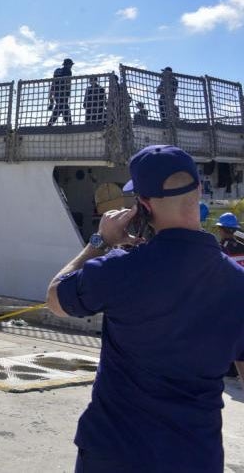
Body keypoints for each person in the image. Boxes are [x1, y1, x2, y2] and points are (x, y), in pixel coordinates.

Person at [46, 145, 244, 472]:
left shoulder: (119, 268)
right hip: (194, 458)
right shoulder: (238, 285)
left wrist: (100, 242)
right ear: (197, 192)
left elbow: (55, 297)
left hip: (113, 455)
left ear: (144, 206)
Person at [47, 58, 74, 126]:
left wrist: (51, 99)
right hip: (63, 93)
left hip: (56, 94)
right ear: (69, 65)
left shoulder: (57, 71)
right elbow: (67, 82)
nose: (71, 66)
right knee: (63, 108)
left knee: (60, 108)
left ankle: (50, 125)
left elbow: (53, 84)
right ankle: (69, 125)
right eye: (71, 65)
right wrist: (68, 91)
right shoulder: (68, 71)